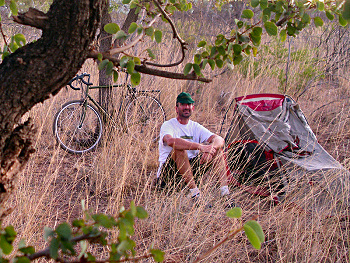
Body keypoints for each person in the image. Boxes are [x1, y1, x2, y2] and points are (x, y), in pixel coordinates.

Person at [156, 92, 231, 201]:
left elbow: (219, 139)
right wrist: (200, 147)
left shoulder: (195, 126)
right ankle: (195, 193)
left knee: (217, 151)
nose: (186, 107)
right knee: (178, 149)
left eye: (189, 104)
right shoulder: (168, 125)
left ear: (193, 108)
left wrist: (209, 150)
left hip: (190, 170)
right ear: (177, 108)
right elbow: (171, 141)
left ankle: (225, 193)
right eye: (183, 104)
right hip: (170, 173)